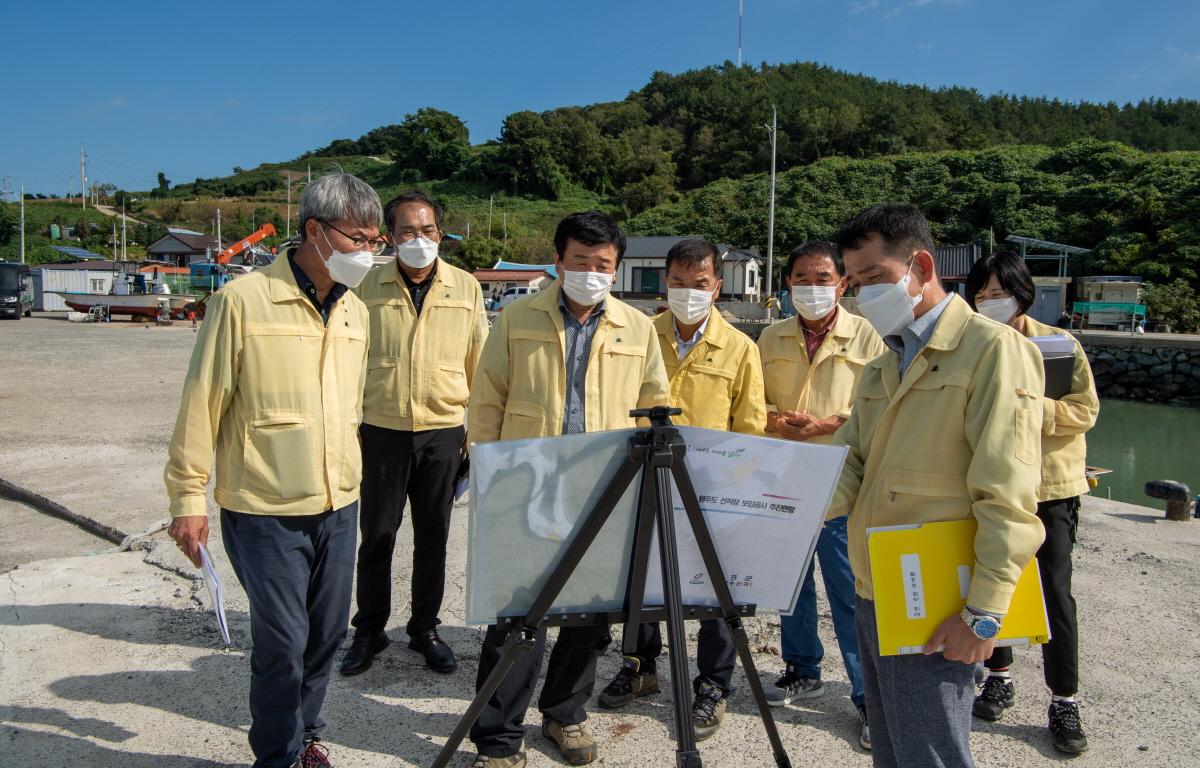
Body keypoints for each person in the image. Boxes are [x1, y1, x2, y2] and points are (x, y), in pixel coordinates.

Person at [164, 172, 384, 768]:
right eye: (358, 238)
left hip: (339, 504)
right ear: (315, 232)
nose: (369, 252)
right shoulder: (242, 302)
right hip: (264, 508)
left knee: (326, 635)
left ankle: (306, 730)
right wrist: (188, 497)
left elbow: (351, 406)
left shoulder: (356, 313)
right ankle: (279, 756)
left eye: (375, 240)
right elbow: (202, 401)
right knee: (283, 642)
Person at [828, 204, 1046, 768]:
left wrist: (985, 614)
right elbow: (850, 462)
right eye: (855, 284)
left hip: (941, 595)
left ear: (921, 266)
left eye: (875, 278)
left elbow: (1009, 494)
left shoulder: (993, 351)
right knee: (893, 745)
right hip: (876, 583)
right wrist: (770, 504)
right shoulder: (884, 361)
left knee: (931, 751)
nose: (863, 295)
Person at [466, 211, 670, 768]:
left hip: (607, 490)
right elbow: (487, 400)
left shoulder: (637, 326)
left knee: (588, 616)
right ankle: (499, 737)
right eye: (580, 262)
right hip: (527, 486)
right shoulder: (516, 318)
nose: (591, 273)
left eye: (603, 265)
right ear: (559, 261)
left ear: (616, 269)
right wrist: (487, 475)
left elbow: (655, 404)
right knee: (516, 615)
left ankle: (565, 713)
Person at [597, 238, 767, 740]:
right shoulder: (639, 334)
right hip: (642, 481)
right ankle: (640, 664)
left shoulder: (740, 348)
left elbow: (750, 427)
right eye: (677, 282)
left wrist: (737, 491)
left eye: (699, 284)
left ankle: (713, 684)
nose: (688, 292)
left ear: (717, 286)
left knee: (718, 592)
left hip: (711, 491)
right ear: (664, 283)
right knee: (639, 581)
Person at [341, 192, 488, 677]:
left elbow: (481, 364)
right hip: (380, 429)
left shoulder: (466, 287)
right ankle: (369, 630)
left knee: (434, 536)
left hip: (443, 432)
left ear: (440, 235)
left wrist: (476, 431)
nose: (418, 240)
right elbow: (347, 359)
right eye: (407, 231)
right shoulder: (365, 285)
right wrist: (349, 426)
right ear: (391, 237)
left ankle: (424, 628)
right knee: (377, 535)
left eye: (426, 231)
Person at [966, 251, 1099, 755]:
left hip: (1051, 488)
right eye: (981, 295)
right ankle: (998, 675)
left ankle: (1064, 698)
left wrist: (1024, 403)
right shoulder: (973, 346)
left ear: (1023, 293)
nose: (990, 302)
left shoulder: (1059, 344)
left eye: (999, 293)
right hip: (990, 487)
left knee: (1055, 594)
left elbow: (1084, 411)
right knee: (991, 583)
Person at [756, 241, 885, 750]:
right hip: (782, 480)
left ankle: (865, 695)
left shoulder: (868, 336)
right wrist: (773, 419)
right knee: (790, 587)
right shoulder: (769, 337)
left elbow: (880, 405)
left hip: (840, 484)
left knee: (851, 593)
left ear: (843, 283)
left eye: (823, 278)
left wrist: (829, 423)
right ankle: (801, 666)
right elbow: (751, 397)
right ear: (787, 284)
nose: (813, 288)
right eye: (802, 279)